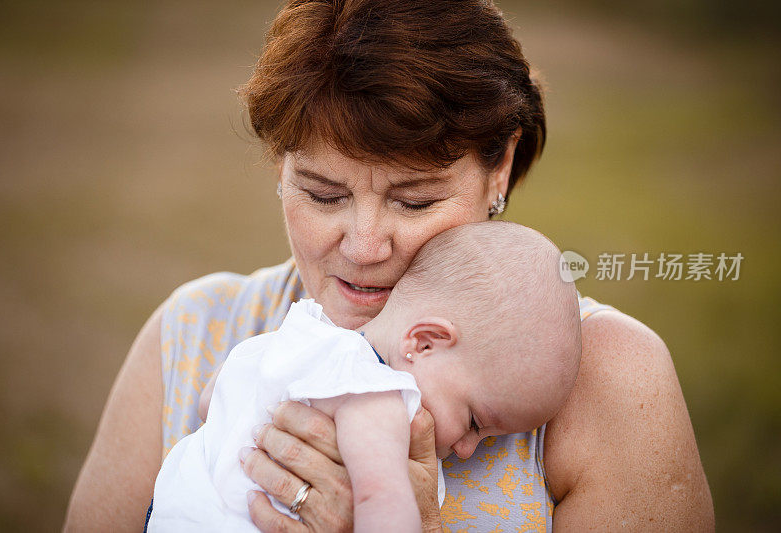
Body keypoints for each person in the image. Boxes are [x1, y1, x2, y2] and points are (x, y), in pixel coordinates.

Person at [65, 0, 714, 531]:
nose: (366, 246)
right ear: (280, 169)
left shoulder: (604, 380)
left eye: (414, 199)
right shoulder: (193, 332)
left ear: (502, 167)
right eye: (323, 192)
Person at [147, 222, 582, 532]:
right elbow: (381, 500)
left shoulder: (296, 334)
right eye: (474, 422)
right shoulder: (374, 395)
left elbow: (211, 402)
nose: (467, 449)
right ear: (424, 342)